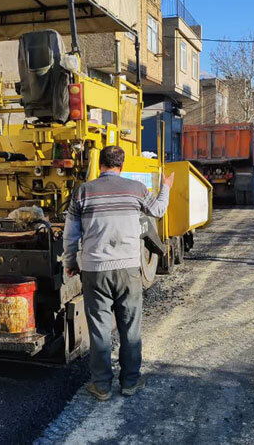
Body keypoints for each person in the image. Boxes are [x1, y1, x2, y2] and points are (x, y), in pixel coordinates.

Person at [62, 146, 174, 401]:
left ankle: (101, 386)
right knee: (130, 326)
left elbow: (71, 235)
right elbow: (157, 211)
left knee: (99, 329)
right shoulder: (136, 188)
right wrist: (165, 186)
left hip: (94, 270)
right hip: (127, 269)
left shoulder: (82, 192)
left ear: (100, 164)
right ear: (121, 166)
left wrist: (71, 262)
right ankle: (130, 382)